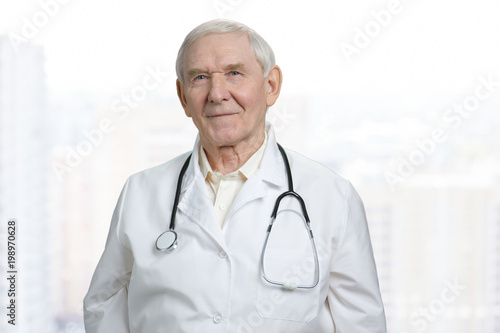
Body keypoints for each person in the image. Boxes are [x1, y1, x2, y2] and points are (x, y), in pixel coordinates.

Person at [83, 19, 386, 333]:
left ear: (271, 86)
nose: (217, 93)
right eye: (200, 77)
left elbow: (362, 324)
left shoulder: (332, 196)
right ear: (183, 96)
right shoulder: (141, 192)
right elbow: (104, 303)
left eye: (234, 73)